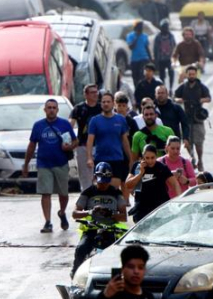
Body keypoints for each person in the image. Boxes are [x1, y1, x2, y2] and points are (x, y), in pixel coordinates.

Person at [21, 98, 77, 233]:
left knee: (63, 193)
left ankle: (62, 212)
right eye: (49, 107)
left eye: (54, 107)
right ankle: (47, 221)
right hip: (44, 164)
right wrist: (26, 164)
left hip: (61, 163)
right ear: (45, 110)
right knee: (45, 192)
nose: (51, 110)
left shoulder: (64, 124)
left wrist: (69, 147)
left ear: (57, 110)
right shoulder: (38, 126)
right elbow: (31, 145)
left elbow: (75, 141)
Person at [71, 163, 128, 273]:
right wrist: (90, 212)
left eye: (106, 182)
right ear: (95, 177)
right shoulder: (88, 192)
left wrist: (110, 213)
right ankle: (75, 272)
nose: (103, 185)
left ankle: (115, 277)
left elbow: (124, 216)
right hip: (91, 229)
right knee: (81, 249)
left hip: (110, 230)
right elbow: (74, 213)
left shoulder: (116, 193)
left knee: (115, 254)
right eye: (101, 181)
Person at [86, 91, 132, 189]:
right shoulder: (95, 120)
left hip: (117, 159)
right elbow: (90, 141)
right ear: (101, 103)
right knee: (101, 188)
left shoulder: (121, 119)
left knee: (113, 188)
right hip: (100, 159)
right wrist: (89, 157)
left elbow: (125, 141)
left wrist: (130, 158)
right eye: (103, 102)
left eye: (108, 102)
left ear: (113, 103)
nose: (106, 104)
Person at [125, 145, 179, 222]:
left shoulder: (162, 168)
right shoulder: (137, 167)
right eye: (147, 158)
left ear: (156, 156)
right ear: (143, 156)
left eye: (152, 158)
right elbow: (128, 184)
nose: (150, 161)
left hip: (159, 207)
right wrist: (140, 174)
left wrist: (179, 200)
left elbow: (175, 184)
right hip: (142, 208)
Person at [174, 65, 211, 172]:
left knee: (199, 142)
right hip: (186, 118)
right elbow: (175, 97)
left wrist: (202, 100)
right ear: (186, 75)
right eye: (189, 74)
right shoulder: (183, 86)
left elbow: (209, 98)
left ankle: (200, 160)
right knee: (187, 142)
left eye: (193, 74)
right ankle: (192, 158)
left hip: (198, 119)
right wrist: (179, 100)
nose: (191, 76)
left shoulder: (201, 87)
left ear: (196, 74)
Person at [71, 84, 104, 189]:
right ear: (86, 94)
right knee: (85, 177)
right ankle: (86, 198)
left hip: (100, 146)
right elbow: (69, 126)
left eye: (96, 92)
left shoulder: (102, 108)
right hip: (83, 146)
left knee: (102, 174)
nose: (95, 94)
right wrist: (71, 140)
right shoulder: (79, 108)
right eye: (92, 92)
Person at [153, 86, 189, 153]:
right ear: (155, 94)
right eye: (158, 93)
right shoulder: (152, 109)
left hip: (173, 141)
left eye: (162, 93)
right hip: (156, 141)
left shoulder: (176, 108)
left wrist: (185, 138)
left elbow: (185, 123)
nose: (160, 95)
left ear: (167, 94)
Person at [126, 21, 152, 88]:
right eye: (138, 28)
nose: (140, 29)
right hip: (134, 59)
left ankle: (143, 89)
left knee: (142, 75)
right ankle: (137, 89)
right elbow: (131, 47)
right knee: (135, 77)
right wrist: (136, 37)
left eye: (141, 27)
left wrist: (150, 58)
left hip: (144, 58)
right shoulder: (130, 36)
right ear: (135, 28)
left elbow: (146, 47)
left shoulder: (145, 36)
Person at [153, 20, 177, 85]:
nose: (165, 29)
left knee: (171, 73)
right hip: (161, 59)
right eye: (164, 27)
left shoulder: (171, 36)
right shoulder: (158, 37)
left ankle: (171, 88)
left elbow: (174, 46)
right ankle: (163, 87)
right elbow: (155, 49)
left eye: (166, 27)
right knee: (162, 75)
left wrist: (175, 57)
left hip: (170, 59)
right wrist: (155, 59)